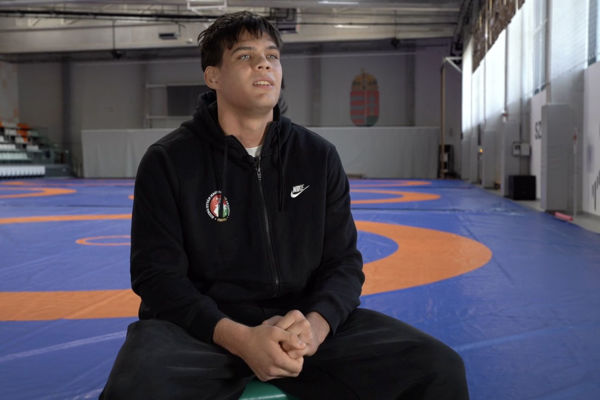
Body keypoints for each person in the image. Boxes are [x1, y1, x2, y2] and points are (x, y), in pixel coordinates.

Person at [100, 11, 469, 400]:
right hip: (204, 332)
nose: (263, 63)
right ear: (213, 77)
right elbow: (157, 277)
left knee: (437, 368)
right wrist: (239, 337)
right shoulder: (169, 161)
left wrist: (316, 328)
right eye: (245, 56)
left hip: (302, 326)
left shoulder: (317, 157)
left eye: (272, 56)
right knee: (133, 389)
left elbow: (343, 263)